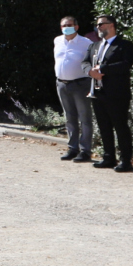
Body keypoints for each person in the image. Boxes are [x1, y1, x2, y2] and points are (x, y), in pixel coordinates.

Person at [89, 16, 133, 172]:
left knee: (120, 127)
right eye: (97, 25)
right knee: (104, 126)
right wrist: (90, 72)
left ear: (111, 25)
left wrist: (102, 70)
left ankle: (125, 161)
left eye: (101, 24)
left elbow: (126, 64)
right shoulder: (95, 46)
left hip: (117, 94)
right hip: (98, 92)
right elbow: (84, 62)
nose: (98, 28)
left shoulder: (124, 45)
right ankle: (109, 157)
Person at [53, 16, 96, 163]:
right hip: (62, 84)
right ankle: (72, 148)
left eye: (69, 25)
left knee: (85, 118)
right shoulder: (57, 41)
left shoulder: (86, 43)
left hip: (80, 84)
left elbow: (92, 62)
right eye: (63, 25)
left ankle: (85, 151)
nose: (66, 27)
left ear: (76, 27)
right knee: (69, 118)